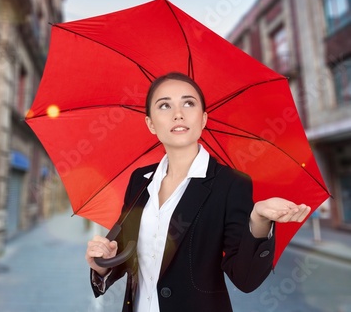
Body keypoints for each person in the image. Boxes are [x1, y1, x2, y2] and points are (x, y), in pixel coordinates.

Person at [85, 72, 311, 312]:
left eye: (188, 103)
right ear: (150, 123)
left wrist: (259, 220)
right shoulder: (140, 180)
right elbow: (127, 254)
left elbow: (246, 280)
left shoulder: (230, 184)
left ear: (203, 119)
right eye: (164, 105)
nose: (178, 114)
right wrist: (103, 264)